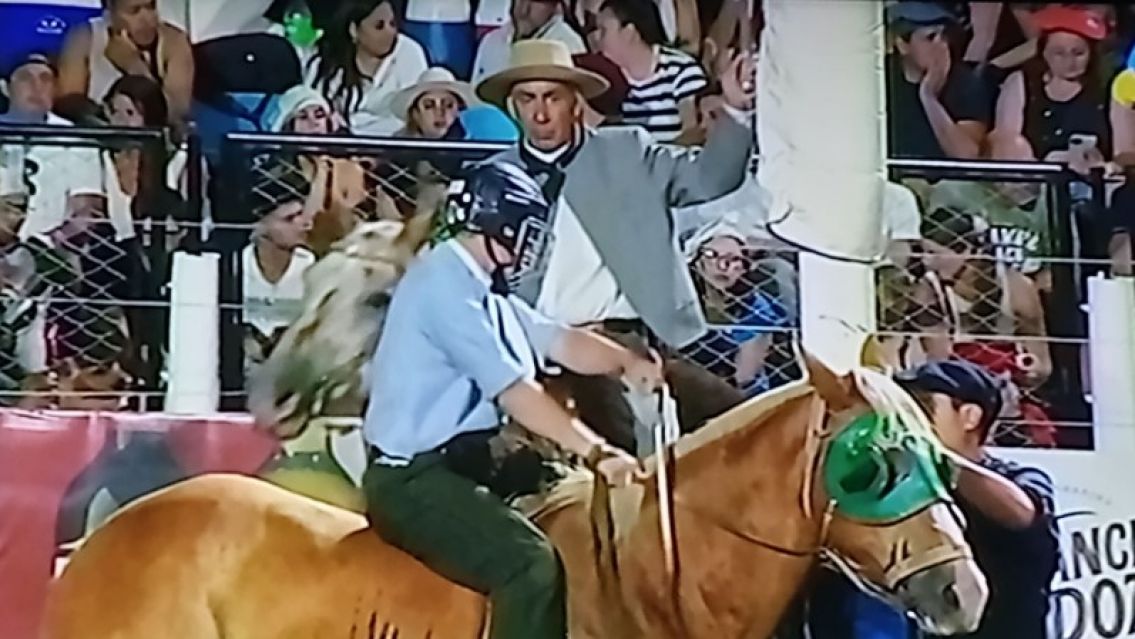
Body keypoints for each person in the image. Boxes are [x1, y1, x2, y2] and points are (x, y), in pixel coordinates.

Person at [361, 161, 659, 639]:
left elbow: (560, 341)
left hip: (467, 462)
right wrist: (598, 452)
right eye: (526, 229)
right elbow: (516, 393)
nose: (530, 243)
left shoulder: (480, 287)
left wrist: (626, 361)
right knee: (530, 566)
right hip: (412, 480)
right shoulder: (445, 286)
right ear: (498, 224)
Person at [476, 39, 755, 455]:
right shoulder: (492, 179)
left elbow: (709, 179)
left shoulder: (626, 152)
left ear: (576, 103)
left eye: (552, 97)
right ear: (513, 107)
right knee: (619, 451)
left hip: (624, 343)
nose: (540, 113)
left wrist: (734, 109)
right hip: (533, 352)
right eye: (527, 99)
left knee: (746, 427)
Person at [897, 359, 1060, 638]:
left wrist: (937, 458)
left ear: (970, 416)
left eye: (923, 407)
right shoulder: (907, 483)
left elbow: (1022, 513)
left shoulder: (1019, 478)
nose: (909, 420)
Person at [55, 0, 194, 129]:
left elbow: (175, 113)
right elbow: (68, 105)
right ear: (110, 10)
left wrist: (135, 67)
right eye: (134, 11)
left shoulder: (174, 42)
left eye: (150, 7)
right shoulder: (85, 37)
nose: (147, 19)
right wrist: (111, 117)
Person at [304, 0, 428, 136]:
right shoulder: (324, 61)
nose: (390, 32)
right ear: (354, 30)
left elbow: (414, 118)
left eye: (392, 24)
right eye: (379, 26)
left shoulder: (409, 52)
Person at [886, 2, 991, 160]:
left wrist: (928, 97)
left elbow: (967, 156)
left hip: (943, 174)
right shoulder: (880, 78)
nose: (942, 46)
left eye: (943, 36)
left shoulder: (965, 82)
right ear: (902, 45)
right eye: (930, 37)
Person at [472, 0, 587, 86]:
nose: (524, 10)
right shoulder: (491, 40)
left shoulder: (569, 45)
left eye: (535, 2)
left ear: (555, 6)